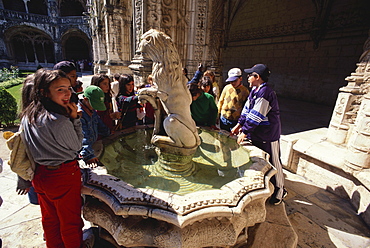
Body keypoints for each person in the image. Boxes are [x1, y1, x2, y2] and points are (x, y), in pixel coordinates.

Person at [20, 69, 84, 247]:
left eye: (68, 88)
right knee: (70, 223)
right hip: (62, 176)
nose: (67, 94)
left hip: (41, 176)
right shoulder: (58, 120)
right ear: (44, 92)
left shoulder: (28, 115)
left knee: (50, 220)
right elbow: (77, 146)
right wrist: (74, 119)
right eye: (60, 89)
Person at [230, 64, 287, 205]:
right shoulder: (255, 90)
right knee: (260, 161)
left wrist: (245, 131)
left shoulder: (265, 92)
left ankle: (280, 191)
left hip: (268, 135)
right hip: (258, 134)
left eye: (250, 75)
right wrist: (239, 125)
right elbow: (246, 110)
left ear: (257, 77)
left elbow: (256, 115)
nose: (248, 78)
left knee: (274, 163)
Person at [78, 85, 111, 166]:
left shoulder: (92, 110)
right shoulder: (80, 115)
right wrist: (88, 156)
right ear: (85, 99)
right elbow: (83, 137)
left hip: (93, 147)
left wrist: (108, 133)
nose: (95, 108)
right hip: (85, 152)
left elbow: (100, 125)